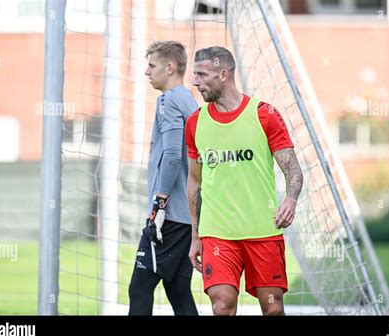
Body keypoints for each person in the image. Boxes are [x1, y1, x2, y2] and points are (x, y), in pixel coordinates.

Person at [186, 46, 304, 315]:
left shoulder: (265, 115)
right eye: (194, 74)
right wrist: (195, 235)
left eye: (202, 75)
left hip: (263, 229)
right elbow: (194, 182)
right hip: (218, 233)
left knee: (272, 308)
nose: (195, 82)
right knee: (221, 306)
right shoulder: (195, 123)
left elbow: (293, 169)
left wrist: (291, 199)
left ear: (223, 74)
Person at [128, 41, 198, 315]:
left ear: (169, 68)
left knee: (139, 289)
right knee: (179, 293)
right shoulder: (190, 100)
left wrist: (159, 205)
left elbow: (171, 155)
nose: (147, 72)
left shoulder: (168, 100)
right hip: (185, 216)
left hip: (167, 217)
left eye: (152, 66)